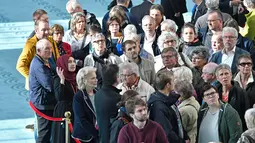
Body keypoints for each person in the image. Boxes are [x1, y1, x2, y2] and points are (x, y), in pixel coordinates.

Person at [148, 70, 190, 143]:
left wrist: (185, 136)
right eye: (173, 80)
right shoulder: (158, 107)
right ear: (168, 85)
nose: (175, 83)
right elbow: (167, 132)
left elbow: (177, 121)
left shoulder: (169, 100)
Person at [29, 39, 57, 143]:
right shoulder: (39, 66)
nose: (50, 51)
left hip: (45, 102)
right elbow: (50, 85)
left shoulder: (45, 60)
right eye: (46, 49)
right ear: (38, 51)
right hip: (43, 104)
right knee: (44, 135)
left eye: (50, 48)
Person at [215, 64, 249, 130]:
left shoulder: (241, 92)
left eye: (226, 73)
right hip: (219, 127)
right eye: (221, 74)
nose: (224, 76)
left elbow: (245, 112)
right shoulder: (215, 92)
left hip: (236, 127)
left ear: (231, 75)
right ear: (217, 78)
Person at [52, 54, 76, 143]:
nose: (73, 64)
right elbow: (59, 97)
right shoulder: (57, 79)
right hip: (64, 111)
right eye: (69, 62)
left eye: (74, 61)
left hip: (74, 110)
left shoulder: (75, 77)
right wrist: (62, 80)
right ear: (63, 64)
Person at [95, 64, 121, 143]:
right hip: (112, 138)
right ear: (116, 77)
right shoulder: (116, 98)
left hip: (103, 137)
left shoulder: (98, 93)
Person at [72, 67, 98, 143]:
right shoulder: (78, 96)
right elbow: (82, 120)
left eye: (96, 77)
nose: (96, 80)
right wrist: (96, 133)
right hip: (84, 136)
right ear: (84, 80)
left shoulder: (98, 92)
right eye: (93, 78)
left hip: (98, 134)